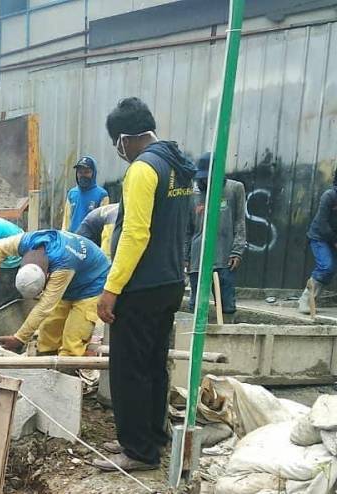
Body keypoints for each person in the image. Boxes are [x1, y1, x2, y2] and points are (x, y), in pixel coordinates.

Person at [94, 97, 195, 472]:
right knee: (154, 363)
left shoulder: (142, 169)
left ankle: (137, 451)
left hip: (140, 286)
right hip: (170, 281)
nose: (118, 152)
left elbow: (135, 233)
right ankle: (152, 434)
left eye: (116, 144)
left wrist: (111, 288)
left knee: (129, 369)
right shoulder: (178, 166)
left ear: (124, 138)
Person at [0, 229, 110, 356]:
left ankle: (68, 368)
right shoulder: (27, 242)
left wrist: (20, 338)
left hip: (92, 284)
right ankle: (45, 363)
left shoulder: (62, 267)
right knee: (47, 337)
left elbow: (44, 307)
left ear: (47, 276)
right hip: (71, 281)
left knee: (72, 341)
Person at [185, 152, 247, 320]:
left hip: (224, 257)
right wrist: (186, 256)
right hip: (198, 258)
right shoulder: (193, 195)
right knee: (197, 303)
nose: (206, 181)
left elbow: (239, 221)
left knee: (226, 303)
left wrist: (237, 251)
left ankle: (226, 333)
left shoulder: (234, 189)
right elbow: (187, 230)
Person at [298, 170, 337, 313]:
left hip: (333, 238)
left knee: (330, 271)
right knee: (326, 266)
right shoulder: (330, 196)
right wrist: (335, 241)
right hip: (319, 237)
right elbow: (322, 223)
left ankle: (313, 300)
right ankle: (305, 301)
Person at [62, 156, 109, 232]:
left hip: (91, 241)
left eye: (87, 172)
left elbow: (104, 223)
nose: (83, 175)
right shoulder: (72, 193)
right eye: (80, 172)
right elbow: (66, 222)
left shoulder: (102, 195)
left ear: (93, 173)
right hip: (73, 239)